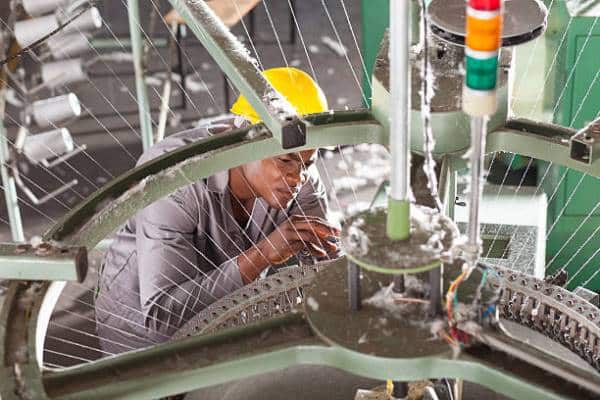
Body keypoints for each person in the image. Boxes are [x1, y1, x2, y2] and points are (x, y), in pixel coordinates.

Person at [94, 67, 340, 354]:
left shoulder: (300, 172)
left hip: (226, 316)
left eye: (307, 164)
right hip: (140, 332)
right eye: (285, 161)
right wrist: (263, 255)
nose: (297, 178)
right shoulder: (174, 178)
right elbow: (162, 318)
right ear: (246, 139)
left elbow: (329, 263)